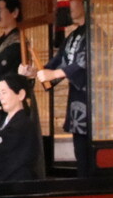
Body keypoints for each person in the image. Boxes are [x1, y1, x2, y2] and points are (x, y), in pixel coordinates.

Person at [27, 21, 92, 177]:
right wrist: (38, 72)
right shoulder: (74, 35)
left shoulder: (95, 32)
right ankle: (83, 184)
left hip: (94, 99)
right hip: (77, 99)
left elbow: (87, 60)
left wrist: (54, 74)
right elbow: (60, 60)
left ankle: (92, 186)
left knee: (91, 154)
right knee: (80, 152)